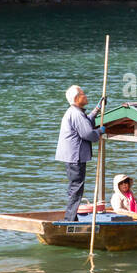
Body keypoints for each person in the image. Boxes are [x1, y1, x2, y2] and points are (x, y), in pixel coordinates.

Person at [55, 84, 105, 222]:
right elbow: (88, 133)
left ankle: (72, 217)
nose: (85, 96)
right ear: (77, 98)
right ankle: (70, 220)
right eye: (83, 94)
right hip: (75, 156)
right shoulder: (76, 113)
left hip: (72, 156)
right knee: (76, 188)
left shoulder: (76, 112)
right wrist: (100, 131)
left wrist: (97, 109)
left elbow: (86, 122)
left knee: (75, 187)